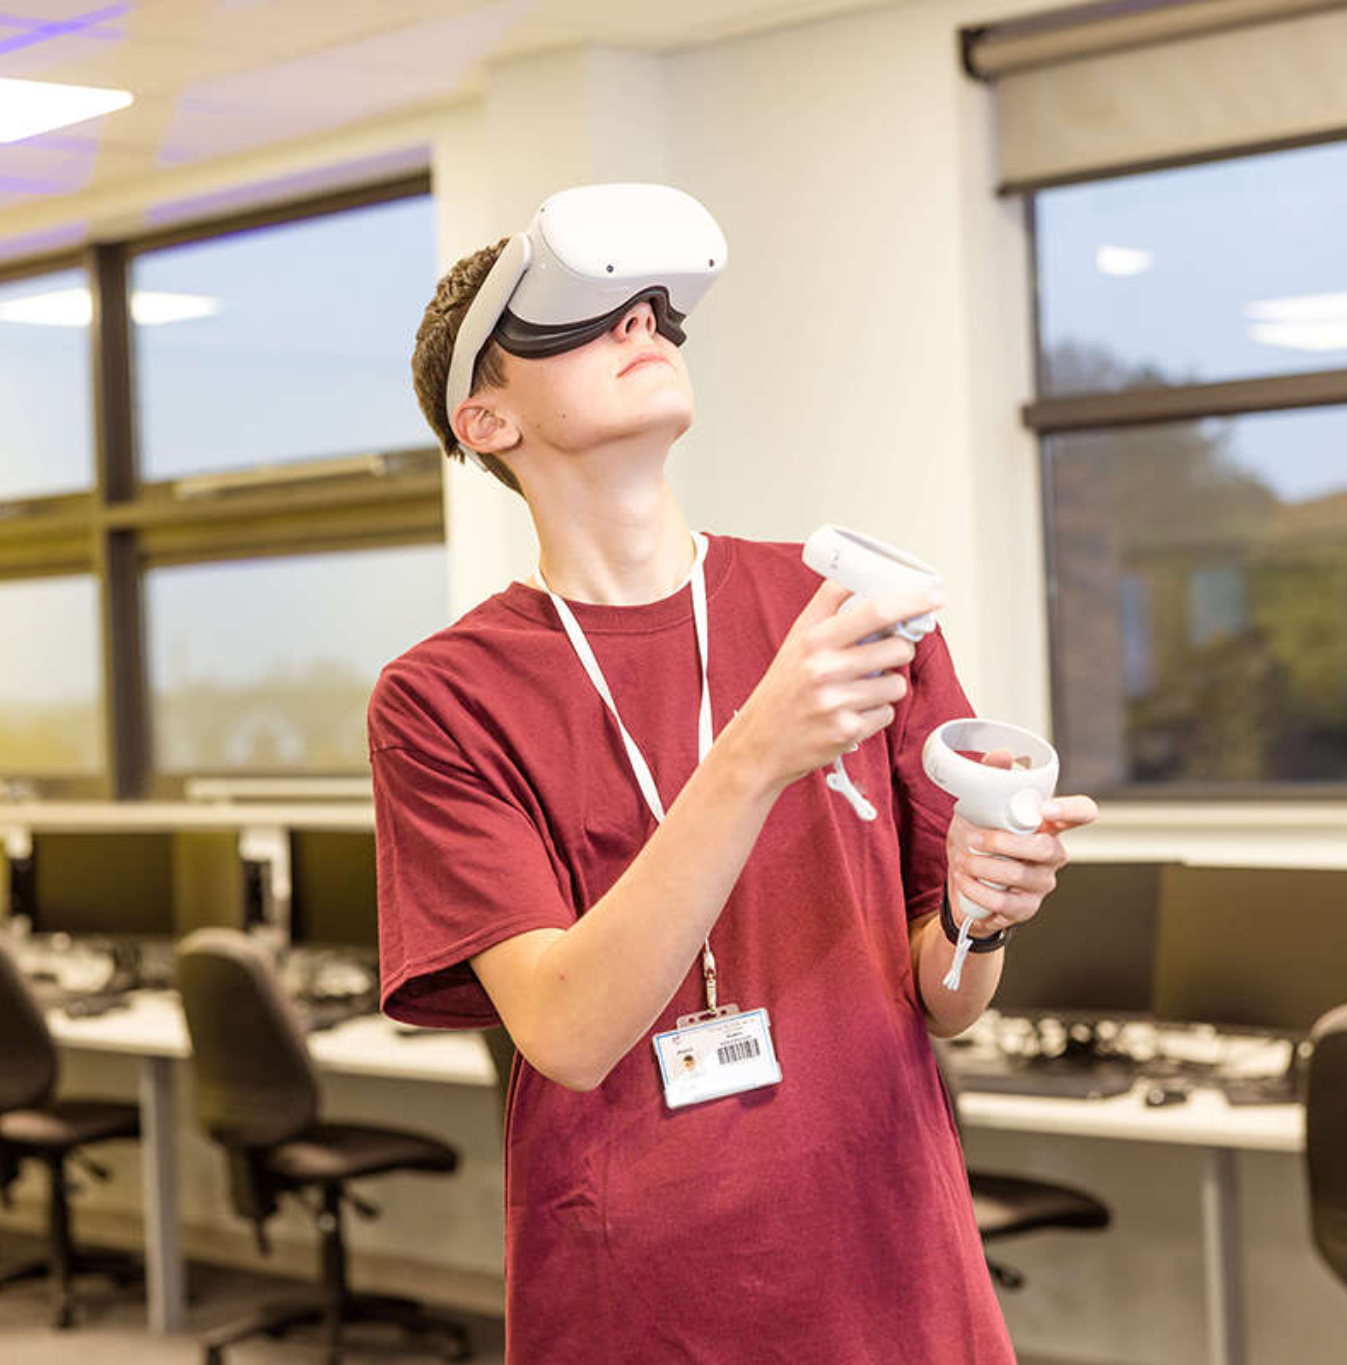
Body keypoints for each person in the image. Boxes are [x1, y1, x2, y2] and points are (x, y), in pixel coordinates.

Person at [369, 186, 1098, 1364]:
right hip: (636, 1292)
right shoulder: (442, 698)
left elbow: (946, 998)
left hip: (891, 1266)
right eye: (582, 315)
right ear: (486, 419)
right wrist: (756, 753)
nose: (640, 324)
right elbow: (565, 1030)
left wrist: (978, 913)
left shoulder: (844, 616)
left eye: (654, 311)